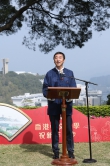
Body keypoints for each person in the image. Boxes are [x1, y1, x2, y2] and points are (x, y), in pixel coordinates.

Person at [42, 52, 76, 159]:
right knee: (55, 129)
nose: (58, 59)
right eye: (56, 58)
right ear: (54, 60)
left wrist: (70, 98)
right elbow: (45, 89)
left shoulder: (69, 73)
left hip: (67, 106)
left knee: (69, 130)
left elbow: (73, 88)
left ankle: (70, 151)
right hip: (54, 106)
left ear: (64, 60)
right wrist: (50, 96)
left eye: (60, 58)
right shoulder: (49, 74)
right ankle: (56, 152)